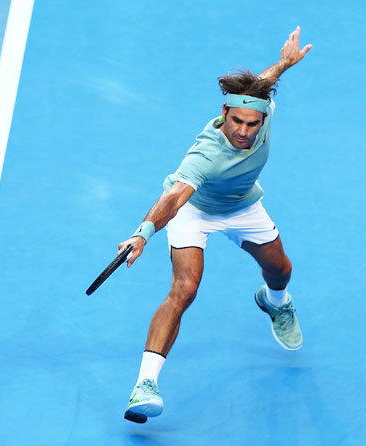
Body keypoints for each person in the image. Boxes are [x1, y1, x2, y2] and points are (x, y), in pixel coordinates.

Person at [118, 26, 313, 424]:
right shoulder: (206, 154)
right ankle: (145, 386)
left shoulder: (261, 109)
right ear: (224, 113)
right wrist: (143, 233)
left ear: (262, 117)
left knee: (281, 270)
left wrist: (284, 64)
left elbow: (264, 83)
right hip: (195, 211)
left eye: (251, 124)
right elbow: (175, 198)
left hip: (243, 206)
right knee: (184, 289)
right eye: (236, 121)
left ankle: (275, 303)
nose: (243, 131)